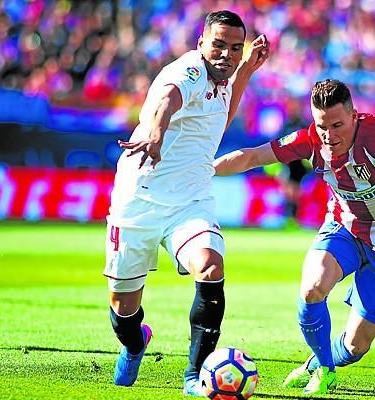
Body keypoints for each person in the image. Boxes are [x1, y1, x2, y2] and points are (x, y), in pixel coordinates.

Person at [214, 79, 375, 395]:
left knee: (355, 347)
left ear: (353, 115)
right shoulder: (310, 140)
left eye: (337, 125)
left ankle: (315, 363)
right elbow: (253, 157)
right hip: (344, 228)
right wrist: (205, 170)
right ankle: (325, 369)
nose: (329, 135)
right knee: (312, 288)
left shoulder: (374, 137)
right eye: (322, 125)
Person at [102, 10, 270, 395]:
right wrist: (155, 132)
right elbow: (167, 98)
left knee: (210, 266)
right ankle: (135, 343)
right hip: (139, 199)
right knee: (123, 309)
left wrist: (246, 70)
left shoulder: (224, 78)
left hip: (191, 201)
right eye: (218, 45)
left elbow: (221, 118)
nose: (226, 54)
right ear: (200, 44)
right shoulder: (189, 71)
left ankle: (196, 376)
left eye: (235, 48)